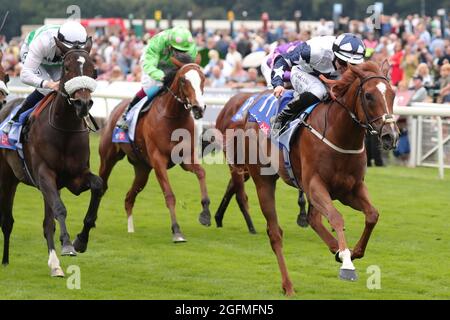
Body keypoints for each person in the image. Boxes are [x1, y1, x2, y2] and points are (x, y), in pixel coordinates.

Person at [3, 21, 89, 134]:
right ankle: (14, 121)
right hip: (34, 54)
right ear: (59, 42)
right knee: (45, 89)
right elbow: (25, 75)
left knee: (70, 87)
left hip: (56, 61)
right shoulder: (42, 42)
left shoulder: (81, 45)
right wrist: (49, 84)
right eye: (66, 49)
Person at [270, 33, 366, 134]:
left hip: (330, 75)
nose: (347, 69)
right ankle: (280, 119)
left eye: (353, 65)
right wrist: (278, 84)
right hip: (303, 72)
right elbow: (282, 60)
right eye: (343, 62)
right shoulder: (314, 51)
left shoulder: (355, 59)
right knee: (320, 91)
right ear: (335, 53)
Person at [117, 26, 197, 129]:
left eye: (183, 51)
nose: (180, 54)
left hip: (172, 65)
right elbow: (149, 65)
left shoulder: (190, 47)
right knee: (150, 87)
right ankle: (126, 115)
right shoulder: (158, 41)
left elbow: (190, 68)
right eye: (177, 50)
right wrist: (163, 77)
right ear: (170, 44)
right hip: (152, 62)